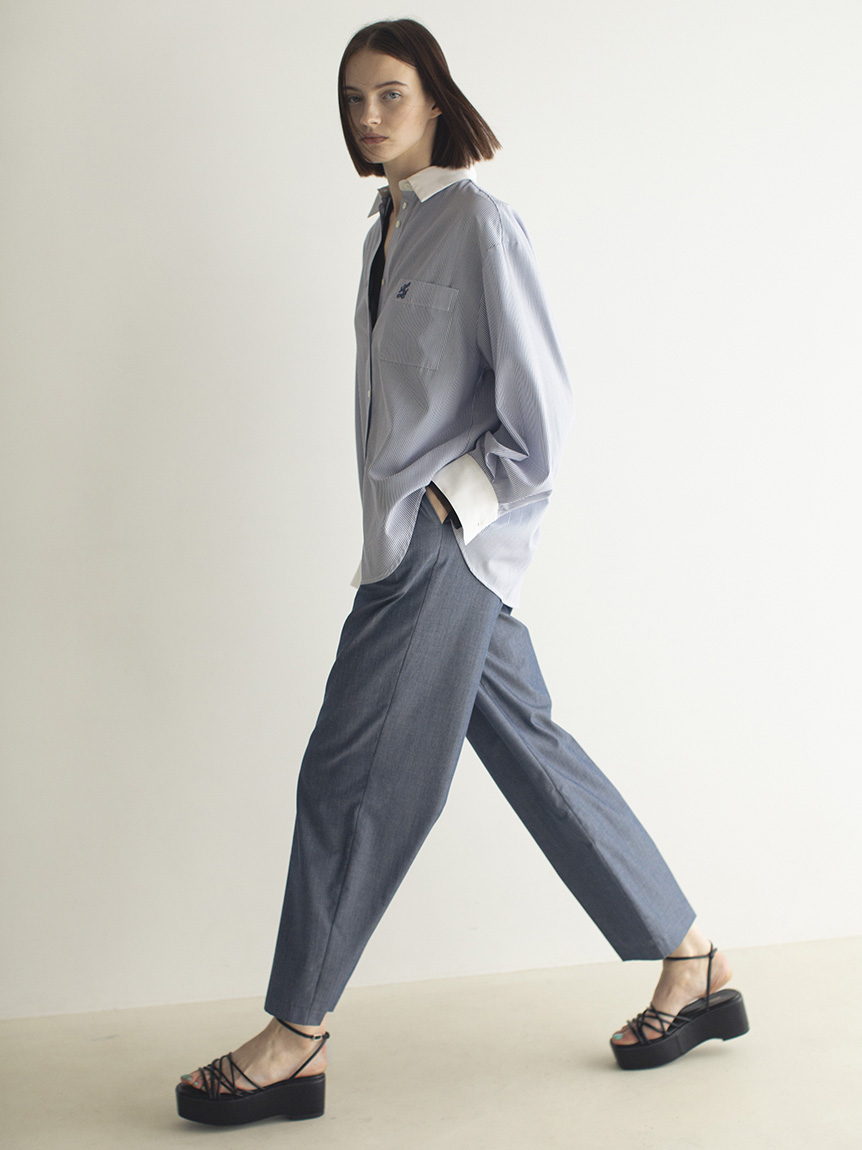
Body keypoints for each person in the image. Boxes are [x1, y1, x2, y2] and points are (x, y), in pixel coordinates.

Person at [175, 18, 748, 1127]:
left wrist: (452, 506)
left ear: (434, 98)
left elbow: (544, 418)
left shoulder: (480, 221)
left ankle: (296, 1035)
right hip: (405, 544)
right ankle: (695, 963)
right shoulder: (385, 229)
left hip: (444, 545)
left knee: (350, 779)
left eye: (389, 93)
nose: (368, 116)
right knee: (535, 754)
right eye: (352, 99)